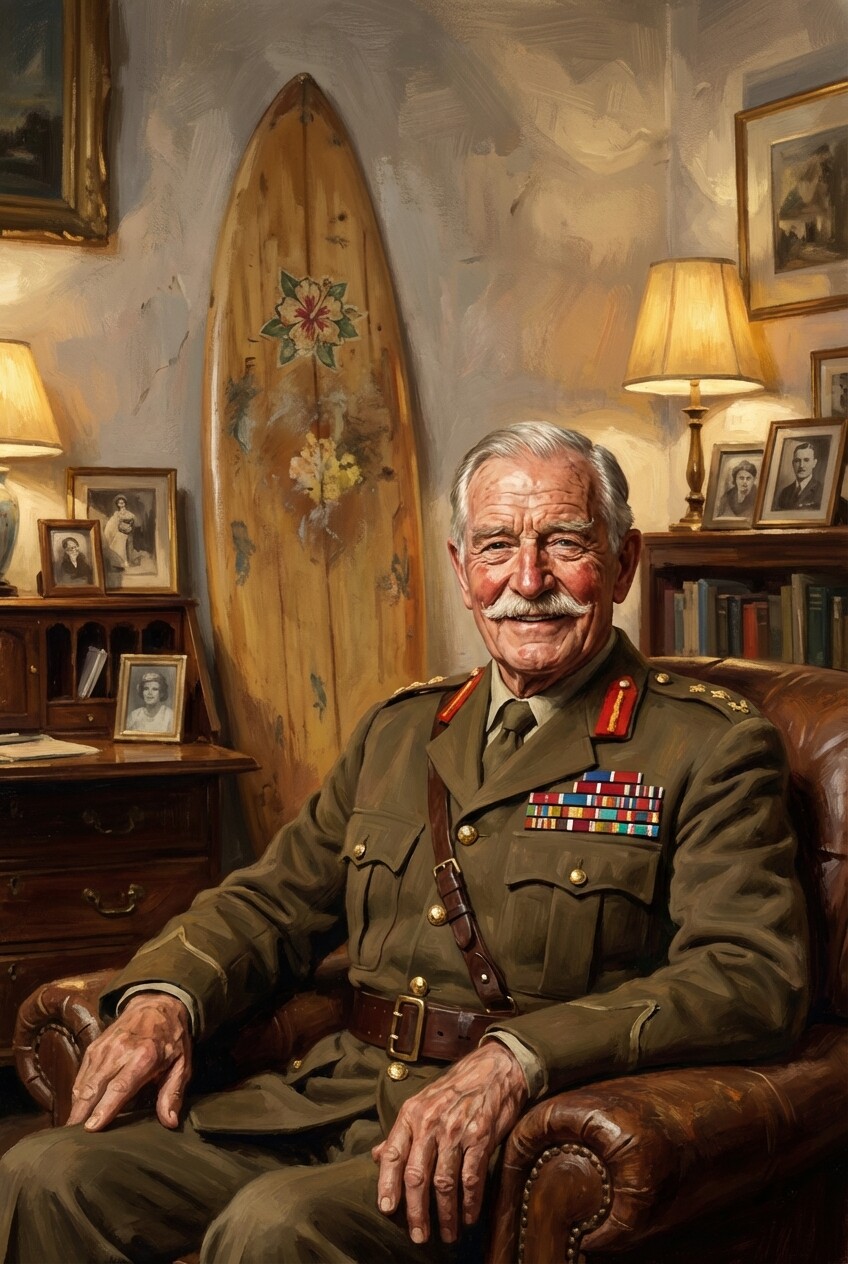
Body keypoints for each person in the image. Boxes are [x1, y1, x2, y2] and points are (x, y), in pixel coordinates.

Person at [0, 423, 809, 1264]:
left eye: (564, 543)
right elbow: (273, 900)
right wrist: (164, 998)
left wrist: (520, 1059)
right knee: (45, 1173)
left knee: (274, 1229)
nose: (527, 582)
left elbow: (750, 974)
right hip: (334, 1095)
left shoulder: (705, 746)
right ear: (464, 570)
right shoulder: (402, 731)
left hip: (506, 1138)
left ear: (623, 560)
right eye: (497, 546)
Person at [774, 441, 824, 510]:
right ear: (793, 463)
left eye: (806, 460)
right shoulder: (785, 492)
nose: (801, 465)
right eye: (797, 461)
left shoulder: (821, 491)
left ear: (814, 463)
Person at [102, 494, 139, 570]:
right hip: (120, 532)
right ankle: (119, 562)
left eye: (122, 502)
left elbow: (132, 521)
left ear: (125, 503)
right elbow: (113, 523)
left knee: (124, 542)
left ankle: (125, 561)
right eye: (119, 503)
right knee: (117, 542)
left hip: (127, 532)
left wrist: (129, 527)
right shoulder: (117, 513)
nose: (121, 504)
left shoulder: (129, 513)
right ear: (117, 504)